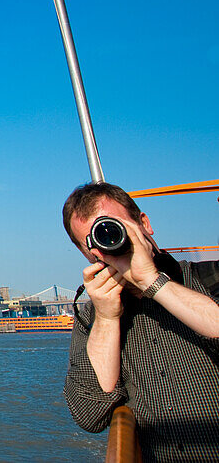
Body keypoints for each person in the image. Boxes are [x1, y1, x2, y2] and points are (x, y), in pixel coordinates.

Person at [62, 182, 219, 461]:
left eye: (114, 227)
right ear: (86, 252)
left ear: (144, 223)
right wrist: (108, 319)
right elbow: (89, 414)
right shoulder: (91, 317)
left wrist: (152, 282)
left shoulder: (210, 277)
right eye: (96, 238)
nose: (110, 242)